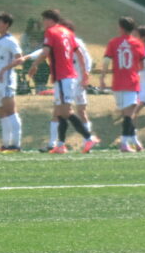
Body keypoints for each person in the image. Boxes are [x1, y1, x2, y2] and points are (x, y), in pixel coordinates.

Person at [23, 9, 98, 154]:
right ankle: (61, 145)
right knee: (61, 112)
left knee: (65, 111)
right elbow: (79, 54)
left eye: (44, 20)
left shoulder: (51, 32)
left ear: (49, 20)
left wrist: (34, 65)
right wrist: (85, 73)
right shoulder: (67, 33)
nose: (43, 23)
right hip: (68, 77)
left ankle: (88, 138)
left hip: (63, 77)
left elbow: (45, 52)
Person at [35, 21, 92, 152]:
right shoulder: (59, 42)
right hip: (67, 80)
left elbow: (86, 60)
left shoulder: (77, 42)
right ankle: (54, 144)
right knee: (58, 111)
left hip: (75, 81)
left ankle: (87, 141)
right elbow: (45, 52)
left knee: (79, 111)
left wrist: (84, 77)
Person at [99, 17, 145, 153]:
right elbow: (142, 65)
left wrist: (102, 78)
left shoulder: (113, 42)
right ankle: (125, 144)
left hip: (118, 83)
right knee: (129, 115)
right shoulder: (138, 43)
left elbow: (106, 62)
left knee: (129, 114)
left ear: (121, 28)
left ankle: (134, 142)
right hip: (132, 82)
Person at [0, 12, 23, 152]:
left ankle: (16, 145)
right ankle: (5, 144)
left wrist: (4, 69)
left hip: (7, 82)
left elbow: (19, 59)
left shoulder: (11, 40)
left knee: (11, 111)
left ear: (6, 24)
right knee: (1, 112)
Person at [20, 18, 49, 92]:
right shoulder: (25, 36)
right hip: (28, 59)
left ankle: (41, 85)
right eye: (33, 28)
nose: (35, 31)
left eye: (37, 28)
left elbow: (43, 49)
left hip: (40, 59)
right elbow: (23, 50)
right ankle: (37, 86)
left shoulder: (42, 37)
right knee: (35, 67)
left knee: (44, 67)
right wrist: (31, 47)